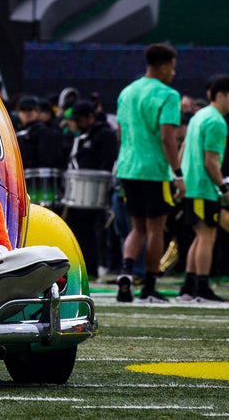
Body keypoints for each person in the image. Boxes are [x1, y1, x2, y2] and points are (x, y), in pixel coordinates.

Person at [115, 43, 183, 303]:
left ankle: (126, 272)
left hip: (128, 167)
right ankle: (149, 287)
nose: (173, 74)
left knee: (137, 228)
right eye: (173, 69)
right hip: (154, 171)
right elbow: (168, 137)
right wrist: (178, 173)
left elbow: (120, 133)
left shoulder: (127, 92)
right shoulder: (169, 95)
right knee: (156, 229)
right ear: (164, 67)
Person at [177, 75, 229, 304]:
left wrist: (177, 178)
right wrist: (225, 190)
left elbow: (183, 147)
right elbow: (210, 162)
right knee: (207, 237)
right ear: (220, 96)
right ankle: (201, 288)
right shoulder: (215, 121)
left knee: (200, 236)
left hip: (192, 186)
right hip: (203, 188)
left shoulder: (199, 116)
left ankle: (188, 286)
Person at [66, 100, 119, 283]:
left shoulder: (103, 134)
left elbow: (108, 160)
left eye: (78, 120)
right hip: (79, 192)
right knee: (77, 230)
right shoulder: (81, 135)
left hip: (94, 191)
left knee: (93, 231)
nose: (75, 124)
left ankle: (94, 267)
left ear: (90, 117)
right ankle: (80, 267)